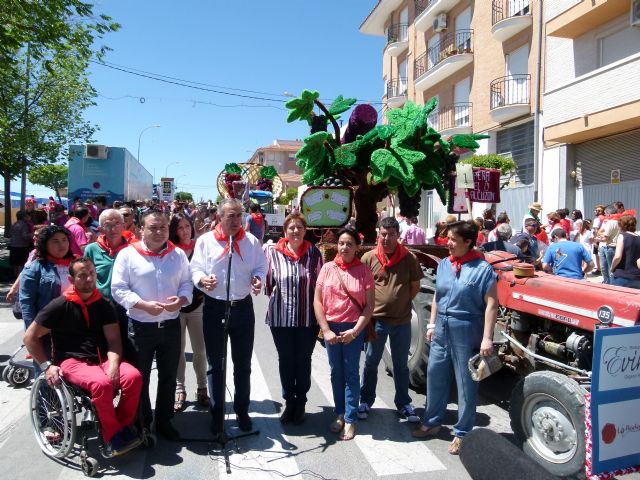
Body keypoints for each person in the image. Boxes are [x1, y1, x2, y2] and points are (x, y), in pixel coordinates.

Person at [23, 257, 143, 456]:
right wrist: (47, 366)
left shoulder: (104, 304)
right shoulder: (59, 305)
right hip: (72, 361)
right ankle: (112, 435)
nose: (89, 279)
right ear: (71, 280)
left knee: (133, 377)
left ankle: (123, 426)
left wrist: (113, 365)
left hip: (102, 358)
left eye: (92, 274)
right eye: (83, 275)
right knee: (101, 384)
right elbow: (30, 337)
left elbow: (114, 341)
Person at [413, 220, 498, 457]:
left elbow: (492, 304)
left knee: (466, 382)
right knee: (435, 374)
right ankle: (432, 421)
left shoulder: (483, 270)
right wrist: (431, 324)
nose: (447, 243)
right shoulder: (444, 266)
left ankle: (463, 432)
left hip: (467, 327)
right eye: (447, 238)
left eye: (452, 239)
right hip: (441, 327)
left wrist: (487, 338)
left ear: (468, 242)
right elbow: (438, 297)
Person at [111, 211, 193, 441]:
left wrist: (182, 299)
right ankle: (143, 422)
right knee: (140, 378)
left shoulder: (177, 255)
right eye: (153, 228)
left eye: (163, 228)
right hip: (140, 326)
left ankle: (165, 421)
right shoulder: (128, 255)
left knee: (168, 376)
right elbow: (118, 288)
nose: (159, 232)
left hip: (170, 326)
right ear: (141, 230)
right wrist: (142, 305)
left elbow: (187, 283)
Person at [190, 198, 267, 434]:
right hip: (214, 308)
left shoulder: (252, 241)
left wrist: (258, 280)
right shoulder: (205, 241)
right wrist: (201, 280)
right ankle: (217, 414)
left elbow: (260, 267)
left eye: (238, 215)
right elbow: (195, 268)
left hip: (242, 308)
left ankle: (242, 411)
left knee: (242, 365)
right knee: (216, 365)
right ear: (219, 217)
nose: (235, 221)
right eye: (230, 216)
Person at [359, 217, 423, 424]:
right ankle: (366, 400)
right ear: (378, 234)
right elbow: (360, 287)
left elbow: (415, 287)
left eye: (391, 235)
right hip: (376, 321)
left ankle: (403, 403)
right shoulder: (368, 258)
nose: (386, 238)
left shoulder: (409, 258)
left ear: (398, 235)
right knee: (370, 362)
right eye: (383, 234)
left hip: (401, 321)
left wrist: (401, 302)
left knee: (400, 364)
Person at [314, 227, 375, 441]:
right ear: (336, 245)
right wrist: (326, 329)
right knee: (335, 372)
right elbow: (317, 301)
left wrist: (355, 331)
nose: (345, 247)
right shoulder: (328, 268)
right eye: (341, 243)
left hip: (353, 328)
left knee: (350, 373)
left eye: (350, 243)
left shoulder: (363, 271)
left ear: (357, 247)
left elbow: (369, 306)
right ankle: (340, 412)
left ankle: (350, 418)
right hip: (331, 328)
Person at [264, 212, 323, 424]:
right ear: (285, 231)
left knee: (303, 360)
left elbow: (320, 286)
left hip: (308, 319)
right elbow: (268, 283)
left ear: (305, 231)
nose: (295, 231)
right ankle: (289, 401)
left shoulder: (315, 253)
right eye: (291, 228)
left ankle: (301, 402)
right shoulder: (272, 253)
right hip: (281, 318)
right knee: (286, 360)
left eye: (299, 227)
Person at [168, 213, 209, 412]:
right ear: (173, 230)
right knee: (178, 351)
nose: (185, 231)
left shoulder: (200, 246)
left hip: (198, 306)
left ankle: (202, 387)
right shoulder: (169, 249)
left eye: (187, 226)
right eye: (180, 227)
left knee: (200, 350)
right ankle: (179, 389)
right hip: (174, 309)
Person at [84, 209, 136, 360]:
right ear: (100, 228)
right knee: (102, 348)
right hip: (101, 306)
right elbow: (86, 277)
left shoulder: (133, 249)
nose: (113, 229)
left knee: (128, 347)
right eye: (108, 225)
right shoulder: (91, 249)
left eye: (117, 224)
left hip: (126, 307)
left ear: (124, 226)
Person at [609, 215, 640, 289]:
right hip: (637, 277)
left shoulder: (622, 236)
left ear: (622, 225)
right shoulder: (639, 238)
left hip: (622, 276)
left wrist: (612, 268)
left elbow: (618, 256)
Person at [596, 206, 620, 284]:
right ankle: (609, 283)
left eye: (605, 214)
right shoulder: (619, 221)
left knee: (609, 268)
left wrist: (596, 239)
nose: (605, 215)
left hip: (610, 247)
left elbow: (605, 238)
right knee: (610, 268)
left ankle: (610, 283)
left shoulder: (610, 222)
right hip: (615, 247)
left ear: (609, 214)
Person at [8, 211, 34, 277]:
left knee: (15, 263)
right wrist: (33, 234)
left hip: (13, 245)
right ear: (24, 217)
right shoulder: (24, 225)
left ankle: (15, 276)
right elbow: (25, 236)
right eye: (26, 216)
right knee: (21, 263)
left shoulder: (14, 224)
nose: (28, 217)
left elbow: (9, 234)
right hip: (22, 246)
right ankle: (20, 277)